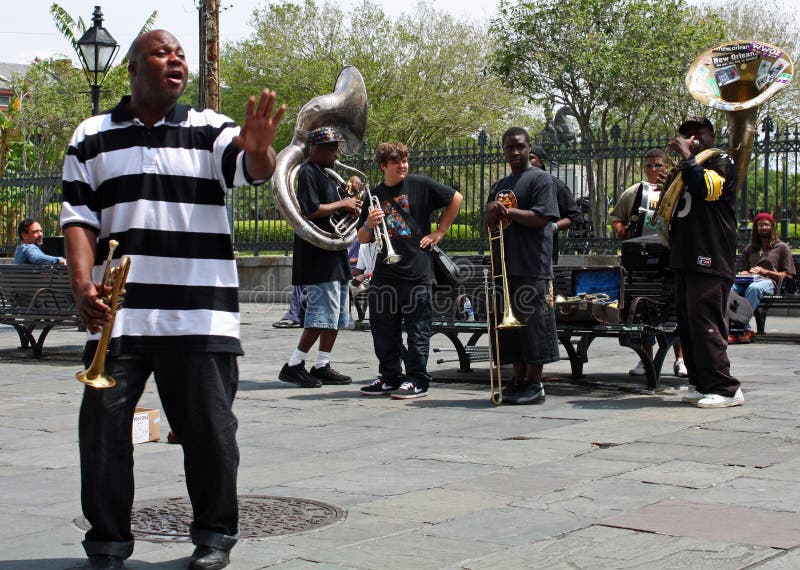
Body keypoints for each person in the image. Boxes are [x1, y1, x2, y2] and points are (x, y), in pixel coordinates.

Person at [60, 30, 285, 570]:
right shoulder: (90, 135)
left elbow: (249, 168)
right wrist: (81, 284)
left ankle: (213, 537)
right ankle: (108, 543)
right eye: (163, 53)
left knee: (210, 435)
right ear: (134, 68)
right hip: (118, 319)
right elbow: (77, 219)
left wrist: (260, 152)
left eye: (181, 54)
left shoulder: (210, 127)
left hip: (200, 313)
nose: (176, 60)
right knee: (104, 436)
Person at [358, 141, 463, 399]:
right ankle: (390, 376)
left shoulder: (419, 184)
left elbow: (456, 198)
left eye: (405, 160)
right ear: (383, 166)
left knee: (418, 329)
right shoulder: (373, 195)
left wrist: (440, 231)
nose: (403, 165)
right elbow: (362, 238)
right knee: (383, 329)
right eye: (396, 162)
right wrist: (370, 224)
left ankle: (417, 379)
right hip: (384, 273)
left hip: (416, 272)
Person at [667, 117, 742, 408]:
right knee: (689, 323)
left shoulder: (720, 160)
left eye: (700, 133)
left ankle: (726, 388)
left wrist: (687, 156)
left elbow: (706, 190)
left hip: (710, 251)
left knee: (706, 321)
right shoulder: (687, 167)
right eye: (687, 134)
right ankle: (702, 382)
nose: (693, 138)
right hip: (686, 253)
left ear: (712, 134)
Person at [278, 126, 360, 389]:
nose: (336, 152)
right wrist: (342, 204)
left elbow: (344, 212)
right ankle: (293, 365)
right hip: (317, 256)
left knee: (336, 316)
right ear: (315, 149)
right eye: (331, 147)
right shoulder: (308, 172)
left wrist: (352, 195)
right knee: (320, 316)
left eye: (336, 146)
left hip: (335, 254)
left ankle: (322, 364)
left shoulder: (330, 176)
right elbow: (310, 209)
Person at [485, 127, 560, 405]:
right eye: (509, 148)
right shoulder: (500, 185)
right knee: (509, 330)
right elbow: (489, 225)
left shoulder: (542, 180)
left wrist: (507, 211)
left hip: (532, 266)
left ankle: (534, 382)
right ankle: (517, 380)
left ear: (529, 148)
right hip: (505, 267)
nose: (515, 152)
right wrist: (490, 212)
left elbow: (542, 217)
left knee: (534, 328)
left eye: (520, 147)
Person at [609, 148, 687, 378]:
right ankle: (646, 359)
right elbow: (616, 217)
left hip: (670, 257)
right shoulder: (635, 192)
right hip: (642, 261)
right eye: (649, 166)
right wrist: (622, 231)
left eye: (659, 165)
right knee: (644, 311)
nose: (654, 170)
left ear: (667, 167)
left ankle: (680, 359)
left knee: (674, 309)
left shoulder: (678, 190)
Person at [729, 212, 795, 343]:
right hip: (748, 281)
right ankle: (740, 329)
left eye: (766, 225)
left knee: (754, 288)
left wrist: (765, 271)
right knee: (730, 289)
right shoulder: (750, 248)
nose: (763, 228)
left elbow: (788, 275)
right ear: (756, 228)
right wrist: (745, 273)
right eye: (760, 225)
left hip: (769, 283)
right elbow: (745, 270)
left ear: (772, 227)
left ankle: (740, 330)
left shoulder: (781, 247)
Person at [528, 144, 580, 265]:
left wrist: (554, 227)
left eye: (531, 157)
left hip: (544, 251)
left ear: (541, 161)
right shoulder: (514, 184)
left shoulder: (555, 185)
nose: (528, 161)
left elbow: (574, 216)